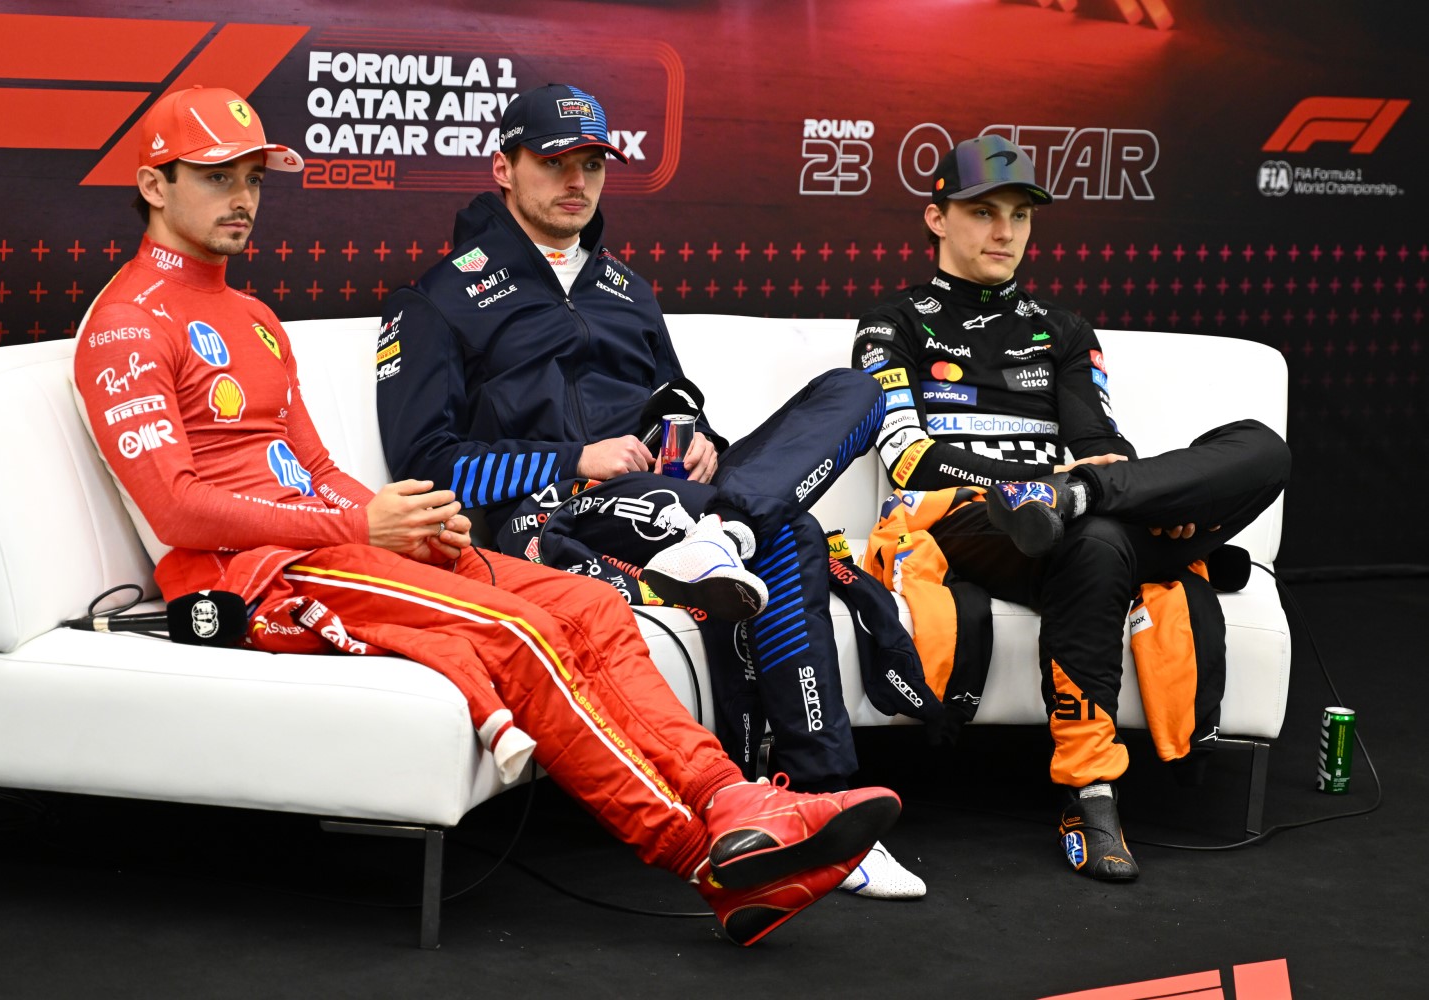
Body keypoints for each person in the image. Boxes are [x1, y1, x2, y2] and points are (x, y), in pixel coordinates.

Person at [71, 84, 904, 947]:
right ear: (154, 185)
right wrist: (363, 528)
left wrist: (414, 519)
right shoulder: (126, 325)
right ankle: (706, 857)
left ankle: (736, 799)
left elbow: (314, 468)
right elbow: (176, 510)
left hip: (337, 546)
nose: (242, 199)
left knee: (590, 608)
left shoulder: (252, 316)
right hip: (259, 575)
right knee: (523, 632)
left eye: (252, 177)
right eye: (216, 178)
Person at [376, 83, 925, 900]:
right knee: (791, 536)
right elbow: (425, 466)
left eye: (592, 162)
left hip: (677, 499)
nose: (577, 180)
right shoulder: (437, 296)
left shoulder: (627, 289)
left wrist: (699, 439)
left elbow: (675, 400)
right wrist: (572, 460)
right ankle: (812, 798)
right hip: (555, 517)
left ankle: (727, 529)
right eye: (555, 161)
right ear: (503, 166)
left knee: (855, 391)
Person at [851, 135, 1290, 881]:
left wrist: (1097, 486)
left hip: (1077, 520)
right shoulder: (890, 324)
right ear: (935, 218)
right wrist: (1034, 489)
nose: (1005, 232)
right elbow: (909, 458)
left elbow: (1099, 441)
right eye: (983, 212)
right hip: (971, 522)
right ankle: (1092, 793)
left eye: (1020, 215)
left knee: (1258, 450)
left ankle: (1089, 791)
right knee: (1100, 529)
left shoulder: (1064, 328)